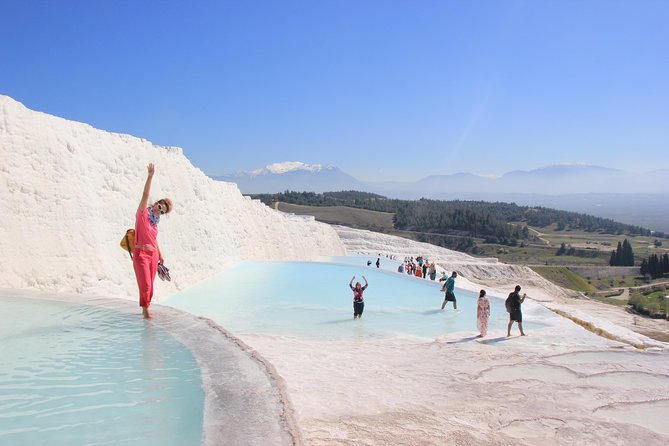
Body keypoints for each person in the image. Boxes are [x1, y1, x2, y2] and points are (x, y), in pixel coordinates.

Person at [132, 163, 172, 319]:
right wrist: (150, 176)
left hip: (153, 255)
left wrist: (160, 254)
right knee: (146, 285)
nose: (158, 210)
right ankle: (146, 311)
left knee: (151, 286)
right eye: (159, 206)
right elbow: (145, 195)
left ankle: (145, 309)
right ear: (156, 203)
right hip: (141, 253)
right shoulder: (142, 214)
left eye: (162, 211)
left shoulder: (155, 224)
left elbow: (154, 240)